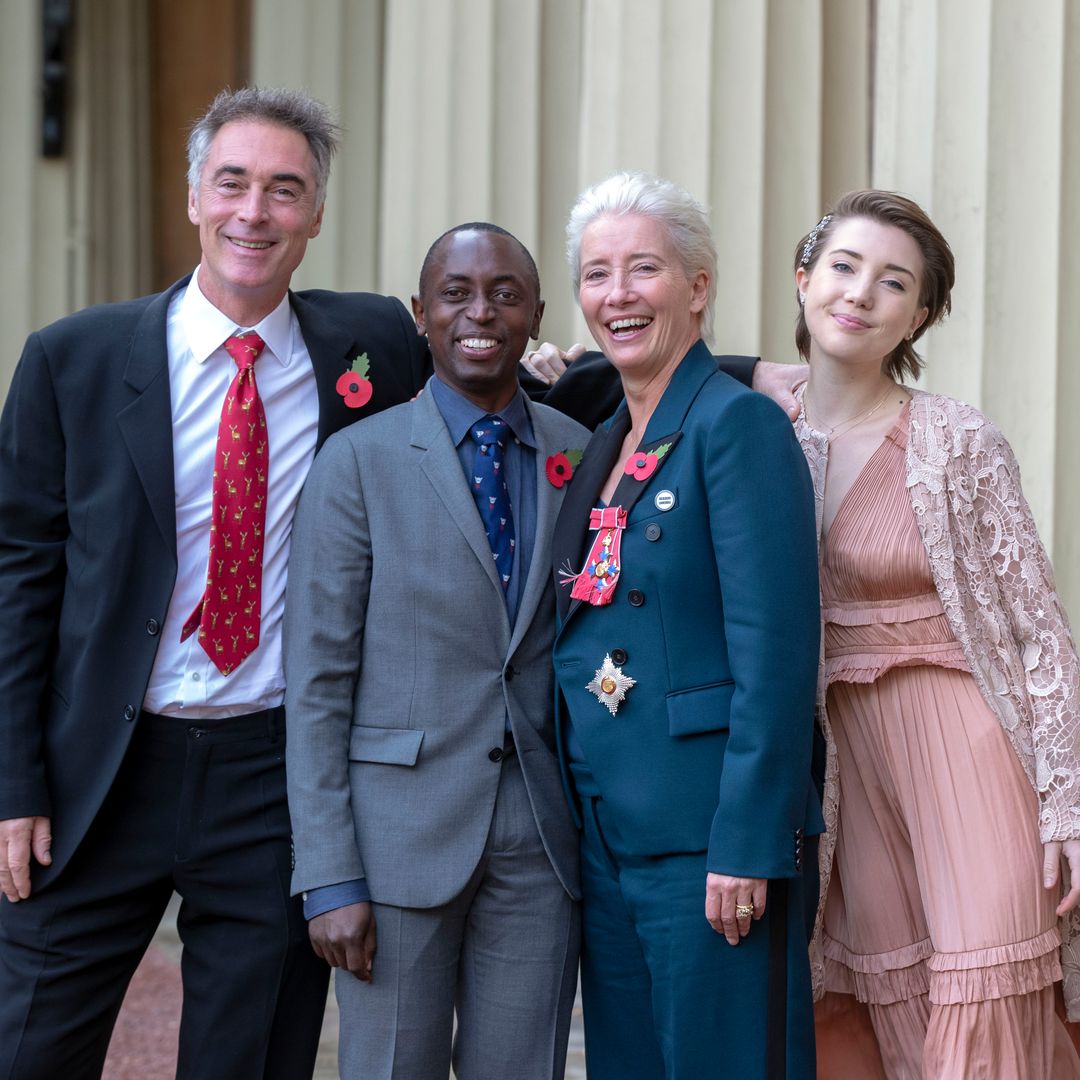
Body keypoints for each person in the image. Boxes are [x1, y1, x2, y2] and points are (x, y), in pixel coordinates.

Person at [0, 87, 434, 1078]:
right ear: (195, 194)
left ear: (316, 216)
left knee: (248, 1061)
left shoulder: (369, 346)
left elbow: (501, 369)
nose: (255, 212)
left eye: (286, 190)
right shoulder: (74, 360)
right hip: (96, 774)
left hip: (273, 778)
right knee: (28, 1050)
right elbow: (17, 580)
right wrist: (12, 783)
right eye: (233, 183)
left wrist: (755, 373)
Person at [282, 223, 589, 1080]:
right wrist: (330, 877)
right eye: (455, 293)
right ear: (420, 314)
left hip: (539, 843)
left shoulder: (582, 456)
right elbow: (316, 684)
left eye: (503, 293)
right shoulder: (356, 463)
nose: (478, 312)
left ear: (535, 314)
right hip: (392, 849)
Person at [792, 189, 1080, 1078]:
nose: (860, 293)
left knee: (984, 986)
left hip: (969, 746)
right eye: (844, 267)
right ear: (804, 278)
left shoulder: (956, 439)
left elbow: (1040, 632)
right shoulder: (757, 434)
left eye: (894, 283)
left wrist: (1067, 801)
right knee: (893, 1007)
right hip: (850, 765)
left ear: (920, 314)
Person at [549, 172, 822, 1079]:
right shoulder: (603, 438)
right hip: (608, 837)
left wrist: (748, 843)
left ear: (698, 286)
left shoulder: (737, 426)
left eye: (643, 270)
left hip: (710, 845)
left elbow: (775, 658)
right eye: (596, 274)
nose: (616, 295)